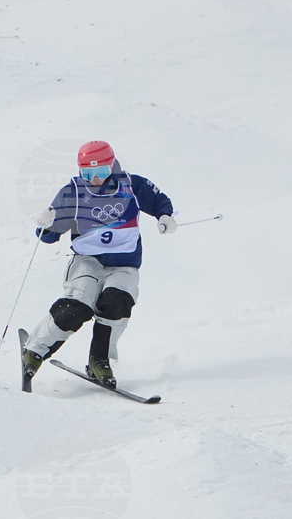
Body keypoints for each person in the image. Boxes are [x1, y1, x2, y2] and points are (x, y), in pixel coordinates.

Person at [22, 140, 176, 388]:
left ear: (111, 165)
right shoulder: (73, 192)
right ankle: (34, 350)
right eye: (88, 173)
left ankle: (100, 360)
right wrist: (46, 224)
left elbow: (158, 199)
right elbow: (50, 235)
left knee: (117, 302)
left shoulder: (131, 185)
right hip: (87, 261)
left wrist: (166, 216)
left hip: (124, 263)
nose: (95, 179)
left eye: (101, 172)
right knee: (78, 305)